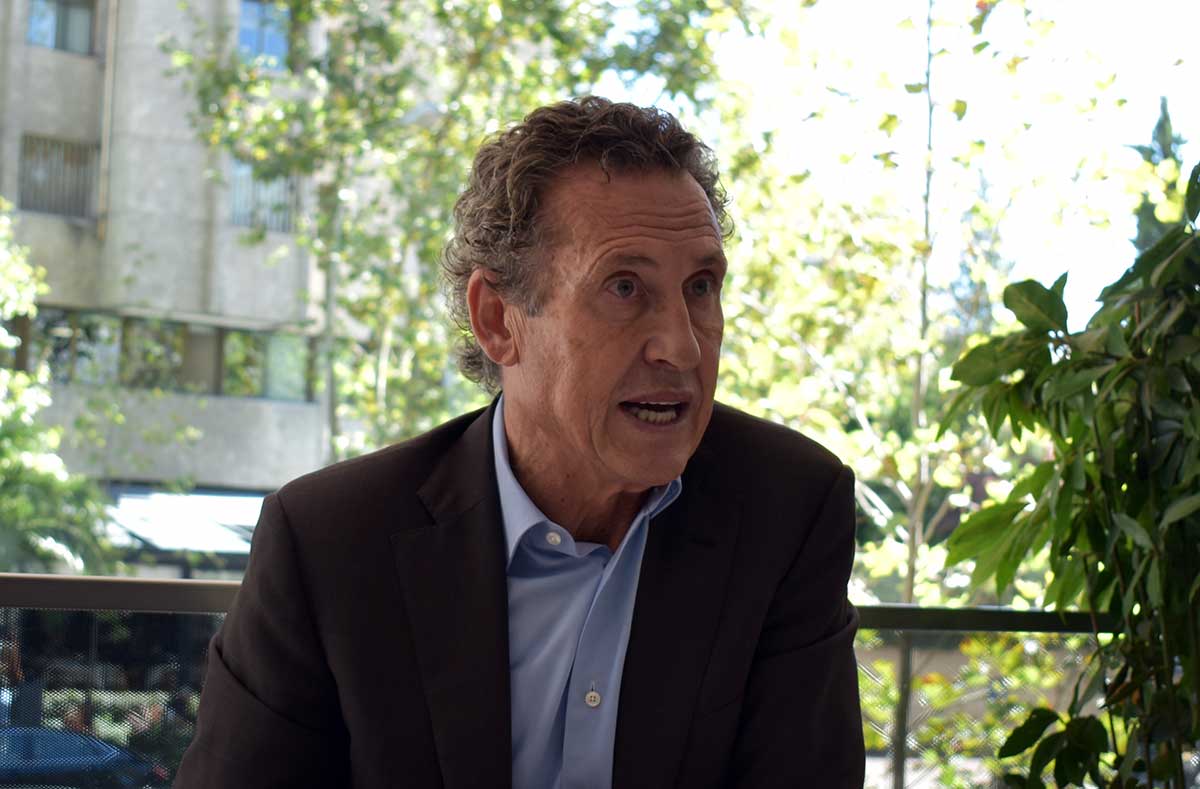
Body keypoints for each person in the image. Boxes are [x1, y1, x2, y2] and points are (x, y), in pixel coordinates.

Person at [174, 96, 864, 788]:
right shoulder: (330, 542)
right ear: (498, 319)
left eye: (701, 287)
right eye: (625, 287)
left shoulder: (787, 508)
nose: (681, 347)